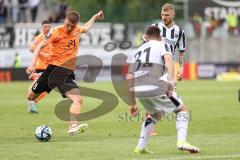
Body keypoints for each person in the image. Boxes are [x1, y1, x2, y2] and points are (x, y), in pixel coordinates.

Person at [26, 10, 104, 135]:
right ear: (65, 20)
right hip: (52, 70)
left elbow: (86, 27)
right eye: (67, 24)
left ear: (76, 24)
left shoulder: (77, 30)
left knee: (78, 99)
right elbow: (39, 46)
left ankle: (73, 127)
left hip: (67, 73)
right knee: (31, 97)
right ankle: (40, 76)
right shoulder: (55, 31)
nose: (69, 28)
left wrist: (95, 16)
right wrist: (32, 65)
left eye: (72, 26)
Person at [128, 26, 200, 154]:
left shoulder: (138, 50)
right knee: (182, 109)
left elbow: (129, 76)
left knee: (155, 114)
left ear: (147, 37)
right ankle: (182, 142)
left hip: (138, 88)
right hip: (155, 85)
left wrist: (132, 103)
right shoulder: (162, 44)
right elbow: (169, 60)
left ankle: (140, 147)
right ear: (159, 36)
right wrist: (171, 83)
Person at [141, 3, 187, 136]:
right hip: (155, 66)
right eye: (162, 15)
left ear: (173, 14)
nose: (164, 17)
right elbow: (145, 43)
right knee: (155, 96)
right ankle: (150, 127)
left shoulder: (179, 32)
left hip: (169, 69)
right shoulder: (155, 27)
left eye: (167, 15)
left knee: (168, 96)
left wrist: (182, 68)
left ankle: (149, 123)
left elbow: (181, 52)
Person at [27, 20, 51, 113]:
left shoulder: (51, 37)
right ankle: (31, 101)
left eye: (49, 26)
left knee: (46, 88)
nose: (47, 28)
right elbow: (31, 48)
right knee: (43, 87)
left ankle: (32, 101)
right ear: (42, 27)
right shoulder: (39, 37)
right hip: (41, 66)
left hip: (49, 66)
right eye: (45, 26)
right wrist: (43, 54)